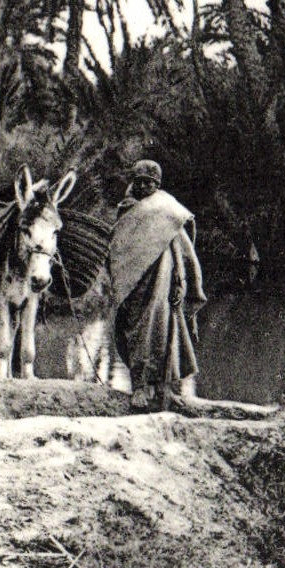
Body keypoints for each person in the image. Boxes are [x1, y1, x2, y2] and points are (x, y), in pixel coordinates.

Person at [109, 160, 206, 410]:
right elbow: (119, 250)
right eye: (138, 181)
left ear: (157, 184)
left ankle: (165, 389)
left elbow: (182, 251)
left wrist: (180, 283)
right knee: (138, 332)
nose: (143, 186)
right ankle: (139, 387)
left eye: (148, 183)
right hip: (136, 285)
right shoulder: (127, 209)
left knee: (166, 333)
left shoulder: (167, 209)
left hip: (164, 283)